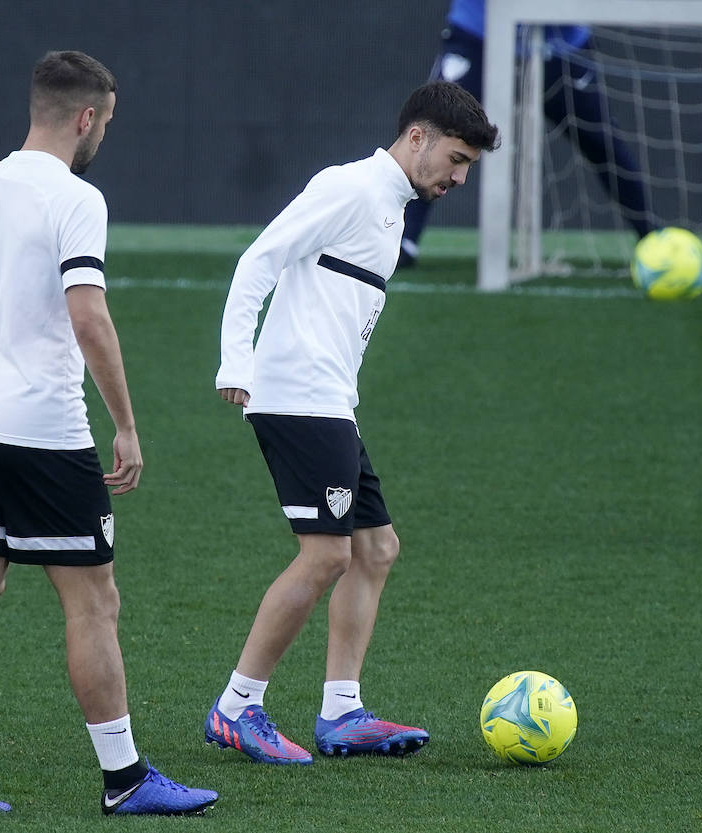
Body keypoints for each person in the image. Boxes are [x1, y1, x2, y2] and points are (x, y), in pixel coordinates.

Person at [0, 50, 217, 816]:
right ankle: (124, 778)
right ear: (86, 117)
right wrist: (125, 422)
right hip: (44, 432)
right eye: (107, 122)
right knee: (92, 601)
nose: (104, 135)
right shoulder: (76, 198)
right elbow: (89, 316)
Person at [205, 81, 499, 764]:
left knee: (375, 548)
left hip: (331, 399)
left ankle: (341, 711)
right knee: (328, 552)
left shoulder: (393, 204)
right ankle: (235, 706)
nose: (457, 178)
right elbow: (260, 260)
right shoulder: (351, 188)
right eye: (455, 160)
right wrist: (234, 361)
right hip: (298, 397)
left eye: (467, 168)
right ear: (417, 137)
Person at [399, 0, 655, 267]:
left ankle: (652, 238)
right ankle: (402, 238)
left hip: (559, 41)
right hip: (480, 32)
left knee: (601, 140)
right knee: (436, 131)